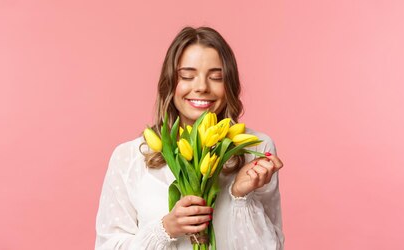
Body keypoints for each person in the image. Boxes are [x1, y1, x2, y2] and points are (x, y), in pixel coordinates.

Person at [95, 26, 285, 249]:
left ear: (230, 84)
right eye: (187, 76)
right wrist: (166, 228)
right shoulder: (130, 157)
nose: (202, 87)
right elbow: (108, 246)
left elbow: (273, 245)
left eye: (216, 77)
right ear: (170, 82)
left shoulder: (256, 149)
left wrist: (240, 197)